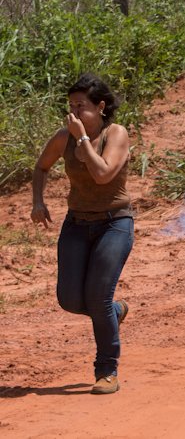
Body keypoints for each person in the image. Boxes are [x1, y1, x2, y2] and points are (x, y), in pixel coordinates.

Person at [30, 74, 135, 394]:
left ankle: (107, 371)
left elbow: (102, 174)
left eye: (81, 106)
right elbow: (41, 166)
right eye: (71, 105)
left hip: (114, 223)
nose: (74, 112)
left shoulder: (116, 134)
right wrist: (38, 202)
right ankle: (114, 312)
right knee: (70, 299)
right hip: (76, 223)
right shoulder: (64, 137)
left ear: (100, 107)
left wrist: (83, 140)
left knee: (98, 295)